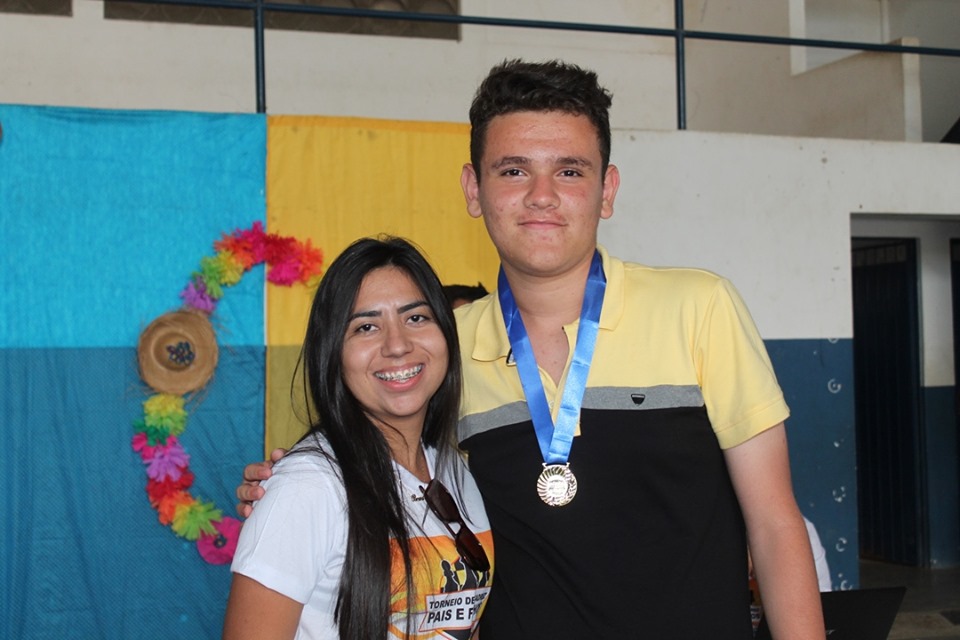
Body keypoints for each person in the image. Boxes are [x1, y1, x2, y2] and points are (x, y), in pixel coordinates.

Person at [238, 59, 824, 638]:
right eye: (514, 171)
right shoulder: (441, 351)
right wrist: (291, 491)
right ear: (474, 189)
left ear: (607, 190)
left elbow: (775, 525)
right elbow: (383, 465)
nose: (542, 196)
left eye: (569, 171)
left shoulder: (700, 308)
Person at [223, 237, 493, 640]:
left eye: (416, 317)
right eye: (366, 327)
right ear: (333, 353)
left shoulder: (455, 470)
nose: (397, 345)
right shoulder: (307, 486)